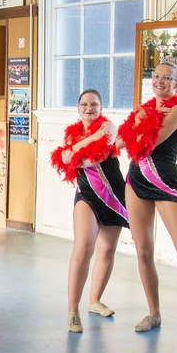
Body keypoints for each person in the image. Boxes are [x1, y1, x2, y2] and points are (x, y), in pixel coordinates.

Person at [116, 61, 177, 349]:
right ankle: (154, 313)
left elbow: (149, 142)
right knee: (143, 250)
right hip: (136, 181)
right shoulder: (143, 110)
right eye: (156, 75)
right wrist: (133, 126)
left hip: (166, 183)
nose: (159, 80)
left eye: (167, 77)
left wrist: (136, 126)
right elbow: (119, 142)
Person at [50, 90, 129, 333]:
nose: (89, 108)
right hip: (86, 194)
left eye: (94, 104)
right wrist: (89, 140)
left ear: (101, 107)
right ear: (78, 108)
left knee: (106, 249)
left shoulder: (109, 127)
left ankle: (94, 301)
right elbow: (66, 158)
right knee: (83, 246)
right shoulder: (74, 133)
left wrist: (75, 153)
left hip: (113, 194)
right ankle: (73, 311)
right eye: (84, 104)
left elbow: (96, 156)